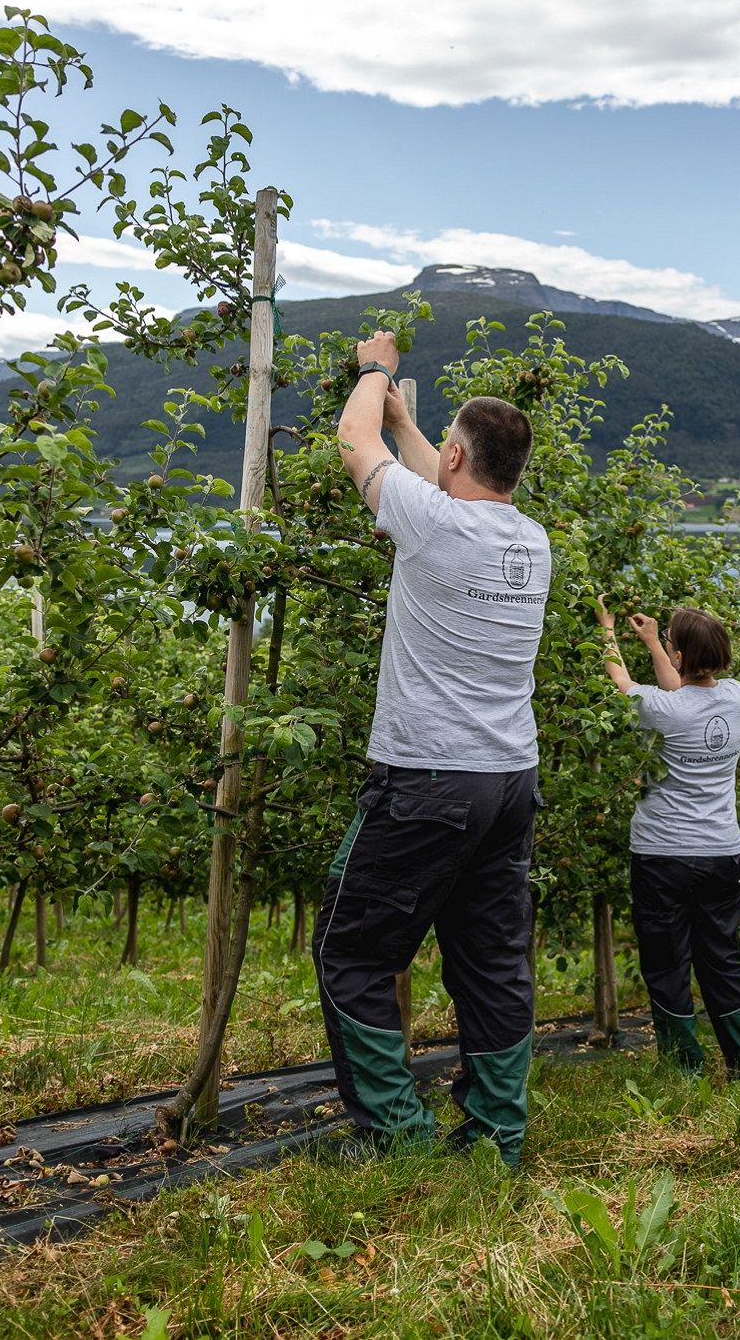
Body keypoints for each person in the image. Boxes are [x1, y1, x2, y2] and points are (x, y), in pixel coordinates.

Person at [317, 331, 549, 1167]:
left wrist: (372, 372)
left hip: (425, 779)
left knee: (350, 948)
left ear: (456, 455)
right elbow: (437, 480)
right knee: (490, 962)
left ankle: (397, 1135)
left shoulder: (431, 525)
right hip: (508, 782)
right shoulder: (531, 543)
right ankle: (497, 1138)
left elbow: (354, 442)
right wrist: (413, 420)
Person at [595, 599, 740, 1078]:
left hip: (662, 856)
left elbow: (621, 682)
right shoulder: (736, 697)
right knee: (722, 958)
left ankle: (684, 1070)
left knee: (666, 963)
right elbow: (683, 691)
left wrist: (608, 630)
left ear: (681, 658)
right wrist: (657, 641)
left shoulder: (662, 710)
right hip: (721, 853)